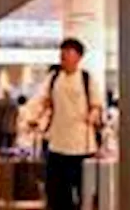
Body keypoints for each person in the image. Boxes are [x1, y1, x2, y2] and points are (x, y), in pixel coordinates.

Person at [40, 38, 102, 210]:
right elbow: (43, 101)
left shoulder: (86, 79)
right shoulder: (53, 78)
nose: (63, 56)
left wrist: (93, 115)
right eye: (62, 52)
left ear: (78, 57)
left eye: (68, 52)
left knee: (83, 192)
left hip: (81, 146)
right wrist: (37, 118)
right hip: (57, 144)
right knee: (56, 193)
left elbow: (97, 105)